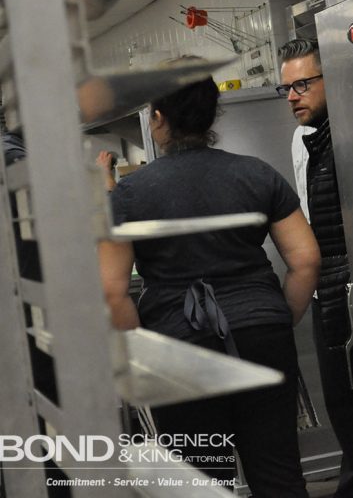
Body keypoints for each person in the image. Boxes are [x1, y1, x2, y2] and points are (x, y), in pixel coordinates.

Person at [98, 58, 321, 497]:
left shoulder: (129, 194)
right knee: (277, 471)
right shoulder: (256, 173)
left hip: (180, 346)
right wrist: (277, 316)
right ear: (211, 114)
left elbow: (111, 291)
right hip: (262, 334)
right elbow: (306, 260)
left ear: (157, 118)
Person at [278, 39, 353, 498]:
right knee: (344, 407)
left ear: (330, 78)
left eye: (302, 84)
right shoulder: (305, 140)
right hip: (329, 293)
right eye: (286, 87)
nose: (292, 96)